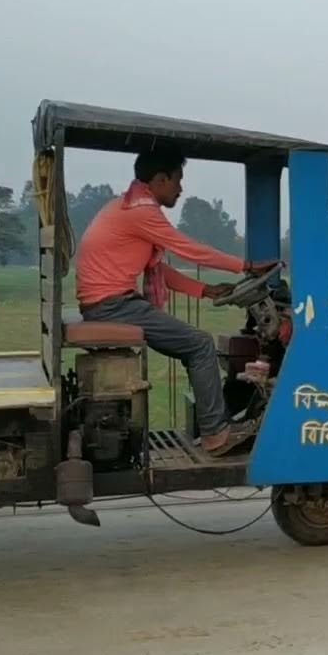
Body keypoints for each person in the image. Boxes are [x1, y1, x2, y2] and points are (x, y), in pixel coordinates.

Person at [75, 144, 277, 456]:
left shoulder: (127, 206)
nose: (181, 189)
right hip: (113, 306)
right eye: (178, 180)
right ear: (160, 180)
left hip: (110, 303)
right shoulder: (142, 212)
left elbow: (159, 270)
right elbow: (189, 249)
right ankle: (215, 434)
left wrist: (205, 290)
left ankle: (212, 423)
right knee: (199, 344)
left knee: (193, 345)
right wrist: (245, 266)